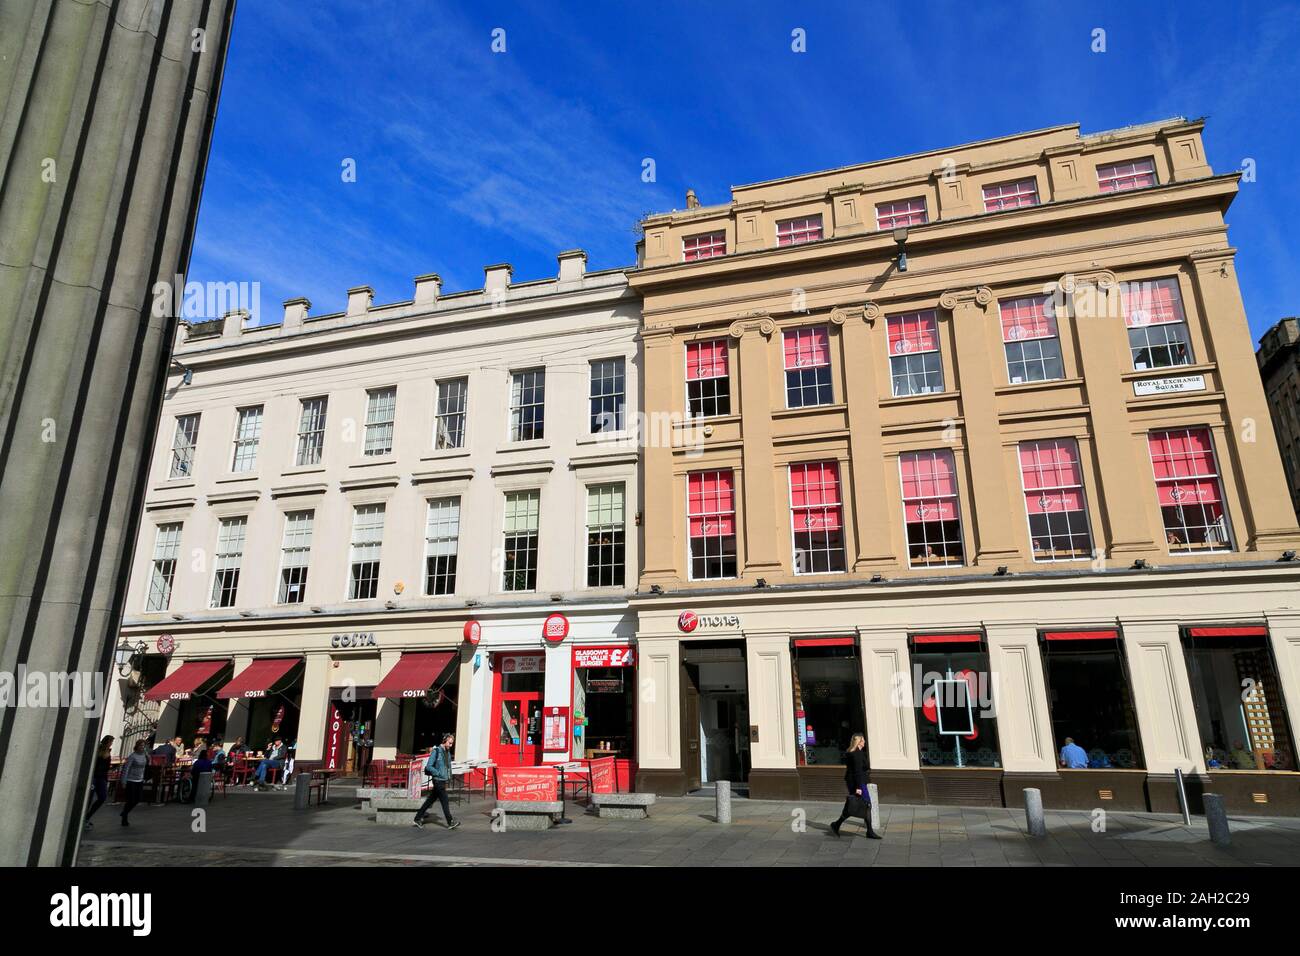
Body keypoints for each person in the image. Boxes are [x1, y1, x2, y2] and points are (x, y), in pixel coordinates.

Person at [829, 734, 881, 839]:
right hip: (858, 782)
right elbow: (857, 771)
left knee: (860, 805)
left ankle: (837, 824)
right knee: (864, 805)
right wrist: (858, 787)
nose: (865, 742)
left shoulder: (853, 752)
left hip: (856, 781)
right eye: (863, 740)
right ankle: (837, 824)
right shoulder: (857, 754)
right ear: (859, 742)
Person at [413, 733, 460, 830]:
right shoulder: (436, 751)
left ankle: (417, 818)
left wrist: (449, 776)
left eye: (452, 743)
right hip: (438, 780)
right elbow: (429, 766)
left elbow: (448, 766)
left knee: (430, 800)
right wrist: (438, 773)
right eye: (450, 743)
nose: (451, 745)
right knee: (445, 801)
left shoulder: (447, 752)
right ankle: (450, 821)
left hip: (443, 780)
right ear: (444, 741)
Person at [84, 735, 115, 829]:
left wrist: (109, 770)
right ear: (107, 742)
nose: (111, 744)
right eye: (110, 742)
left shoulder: (108, 753)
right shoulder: (98, 750)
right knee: (89, 798)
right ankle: (83, 817)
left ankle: (87, 816)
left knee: (102, 797)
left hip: (102, 777)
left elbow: (106, 766)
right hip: (94, 776)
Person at [120, 740, 149, 826]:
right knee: (131, 799)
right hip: (131, 780)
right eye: (141, 746)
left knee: (138, 799)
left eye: (143, 746)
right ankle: (124, 816)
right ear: (137, 746)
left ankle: (124, 812)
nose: (142, 747)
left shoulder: (144, 755)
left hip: (140, 780)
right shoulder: (132, 756)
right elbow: (126, 768)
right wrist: (123, 781)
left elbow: (146, 766)